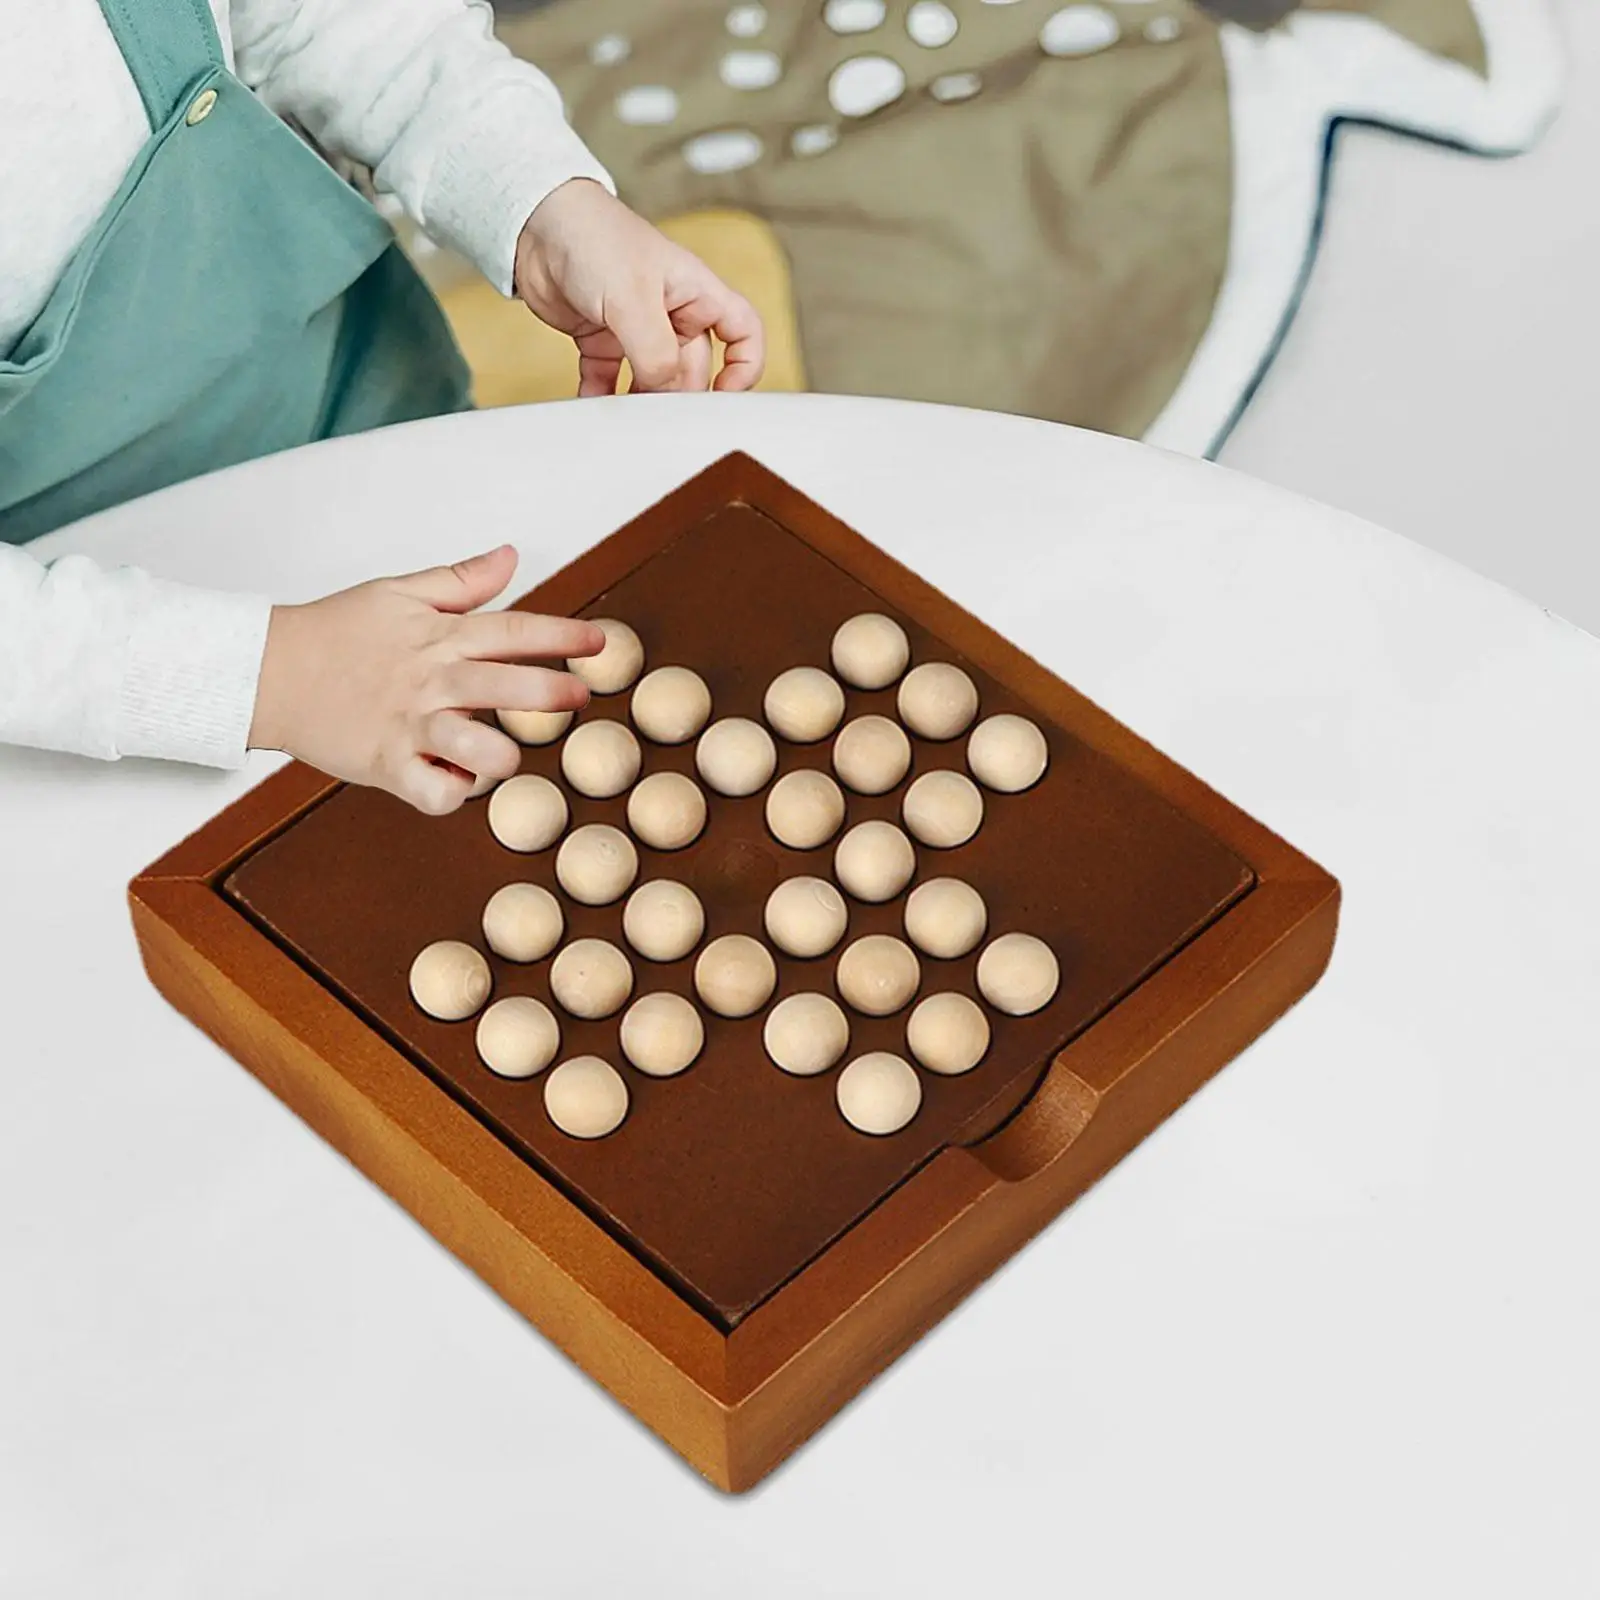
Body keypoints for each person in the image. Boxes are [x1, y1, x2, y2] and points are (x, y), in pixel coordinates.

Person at [0, 0, 766, 815]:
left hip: (354, 403)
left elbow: (329, 19)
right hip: (83, 663)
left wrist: (542, 200)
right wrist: (272, 676)